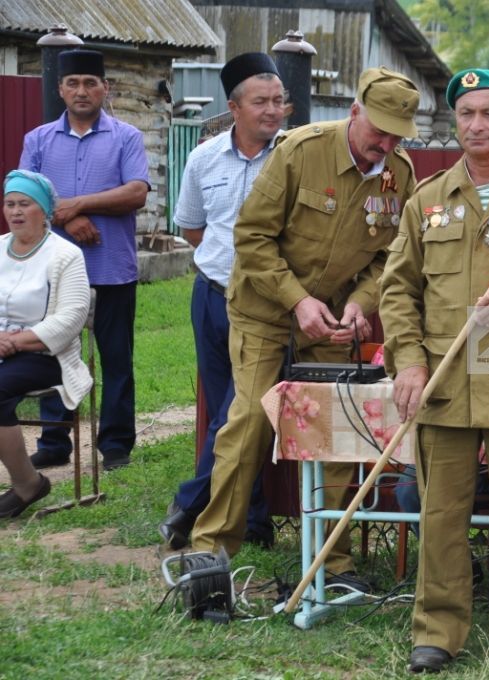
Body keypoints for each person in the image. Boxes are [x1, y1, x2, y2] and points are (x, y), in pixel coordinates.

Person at [187, 67, 421, 587]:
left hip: (333, 323)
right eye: (377, 130)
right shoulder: (298, 150)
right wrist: (297, 302)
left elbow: (392, 257)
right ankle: (210, 552)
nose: (383, 145)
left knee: (336, 433)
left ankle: (330, 559)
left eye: (395, 136)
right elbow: (251, 238)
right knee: (248, 421)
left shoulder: (398, 174)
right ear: (354, 112)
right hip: (264, 310)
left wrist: (362, 302)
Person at [380, 68, 489, 677]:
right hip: (443, 379)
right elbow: (397, 290)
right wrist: (407, 361)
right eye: (466, 114)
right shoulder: (426, 199)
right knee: (441, 512)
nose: (476, 125)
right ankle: (437, 630)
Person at [158, 53, 286, 551]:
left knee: (241, 411)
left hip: (266, 306)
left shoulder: (293, 155)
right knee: (224, 410)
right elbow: (193, 227)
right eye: (261, 102)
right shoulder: (203, 157)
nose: (273, 111)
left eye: (279, 101)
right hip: (212, 294)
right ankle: (252, 519)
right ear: (234, 107)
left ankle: (189, 504)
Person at [20, 49, 150, 471]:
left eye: (90, 83)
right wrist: (70, 219)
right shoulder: (38, 140)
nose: (81, 91)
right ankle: (54, 441)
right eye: (73, 83)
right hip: (54, 271)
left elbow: (136, 193)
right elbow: (27, 197)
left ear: (104, 88)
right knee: (53, 350)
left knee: (116, 358)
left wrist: (75, 206)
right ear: (60, 89)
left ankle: (115, 444)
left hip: (112, 267)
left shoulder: (126, 137)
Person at [0, 170, 91, 518]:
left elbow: (71, 318)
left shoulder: (64, 256)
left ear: (45, 211)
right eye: (10, 204)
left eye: (25, 203)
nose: (15, 211)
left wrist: (14, 342)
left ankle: (27, 484)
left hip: (44, 354)